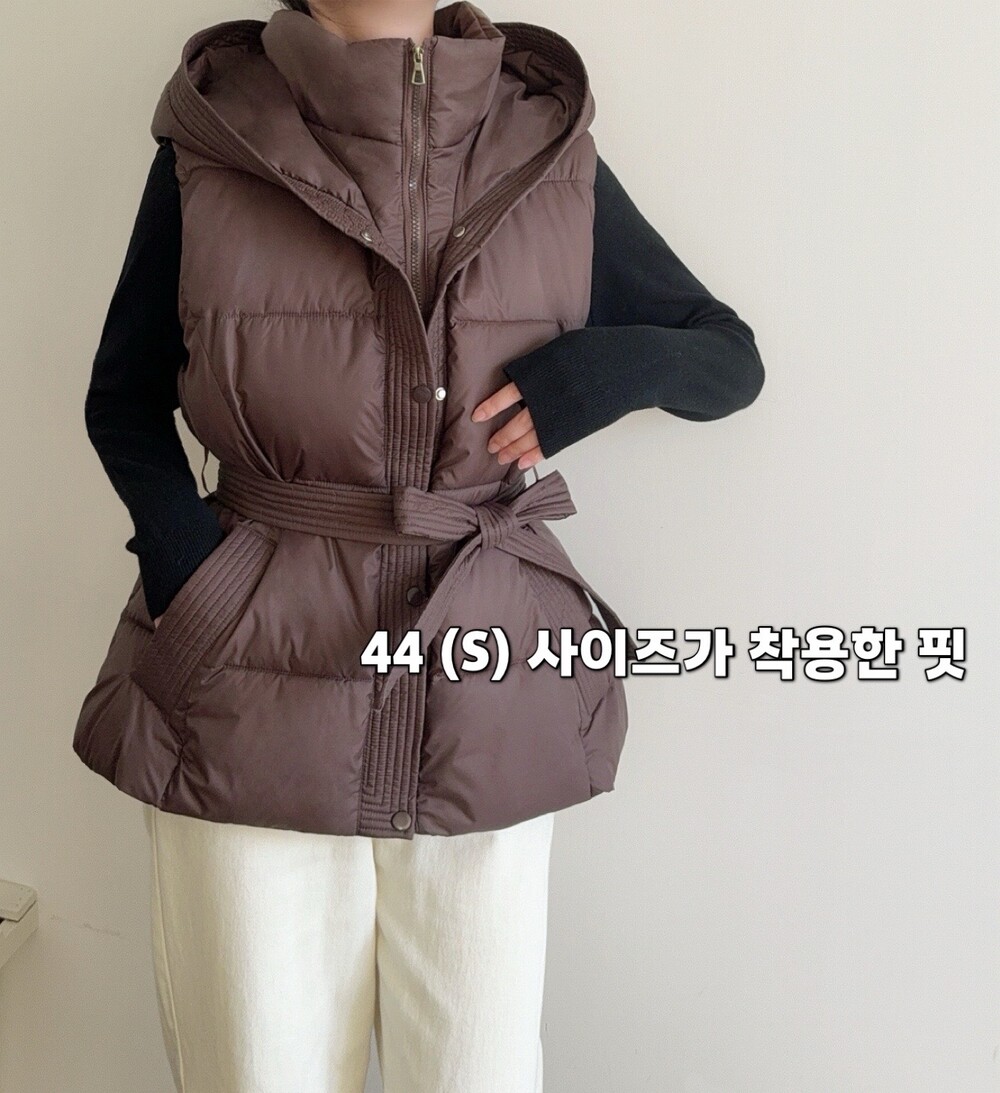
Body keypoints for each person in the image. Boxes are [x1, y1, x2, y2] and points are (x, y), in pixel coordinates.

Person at [76, 1, 765, 1089]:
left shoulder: (543, 143)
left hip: (486, 696)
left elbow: (727, 359)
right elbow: (123, 399)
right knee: (256, 1070)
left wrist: (609, 370)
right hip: (246, 693)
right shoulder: (218, 133)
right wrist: (196, 579)